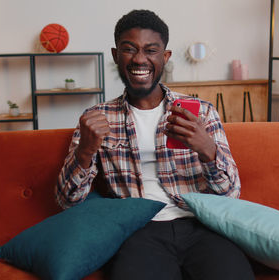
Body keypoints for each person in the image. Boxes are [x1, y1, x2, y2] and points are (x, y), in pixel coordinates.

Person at [56, 9, 255, 280]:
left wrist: (207, 150)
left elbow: (231, 194)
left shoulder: (203, 113)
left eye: (151, 50)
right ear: (116, 55)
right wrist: (84, 152)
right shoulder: (96, 119)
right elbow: (67, 201)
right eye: (129, 49)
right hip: (138, 232)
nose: (140, 59)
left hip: (199, 225)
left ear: (165, 57)